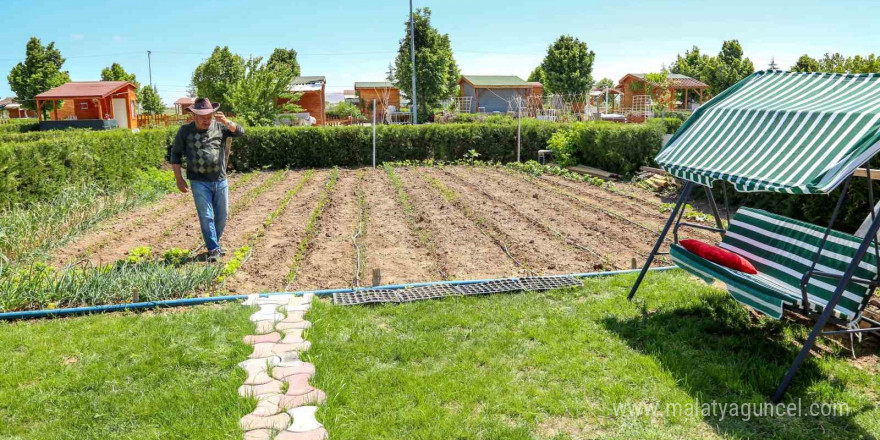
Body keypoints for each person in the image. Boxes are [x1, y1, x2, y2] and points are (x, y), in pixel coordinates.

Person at [169, 98, 244, 262]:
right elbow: (175, 154)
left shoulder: (220, 127)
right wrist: (179, 178)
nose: (206, 120)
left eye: (209, 116)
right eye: (202, 116)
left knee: (223, 214)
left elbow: (240, 132)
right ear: (193, 115)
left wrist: (226, 121)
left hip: (220, 179)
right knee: (206, 215)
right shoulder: (185, 131)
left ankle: (213, 243)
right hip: (198, 181)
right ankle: (213, 248)